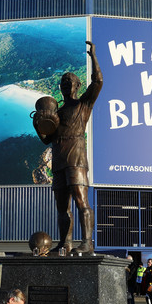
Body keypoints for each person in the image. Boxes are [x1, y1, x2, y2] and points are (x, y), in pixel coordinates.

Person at [35, 41, 102, 254]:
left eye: (69, 82)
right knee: (62, 208)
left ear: (77, 86)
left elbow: (98, 81)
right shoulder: (58, 112)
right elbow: (47, 140)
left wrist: (93, 56)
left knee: (82, 201)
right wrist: (38, 125)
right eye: (63, 83)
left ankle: (87, 243)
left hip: (77, 160)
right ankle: (65, 243)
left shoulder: (83, 104)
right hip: (59, 161)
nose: (65, 85)